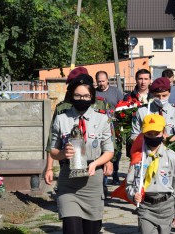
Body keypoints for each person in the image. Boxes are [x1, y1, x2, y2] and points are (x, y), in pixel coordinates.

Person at [49, 74, 114, 234]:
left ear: (92, 96)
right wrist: (63, 153)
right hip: (68, 183)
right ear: (71, 96)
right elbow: (52, 151)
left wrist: (96, 163)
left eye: (86, 96)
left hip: (92, 183)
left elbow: (109, 151)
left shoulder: (102, 119)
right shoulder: (61, 118)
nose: (81, 99)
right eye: (77, 95)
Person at [44, 67, 111, 187]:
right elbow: (53, 141)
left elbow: (108, 135)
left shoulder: (100, 104)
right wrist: (49, 167)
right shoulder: (62, 109)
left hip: (95, 163)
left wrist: (108, 160)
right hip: (68, 162)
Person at [126, 114, 175, 233]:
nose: (153, 137)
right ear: (143, 134)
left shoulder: (171, 156)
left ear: (163, 133)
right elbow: (129, 184)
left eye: (156, 133)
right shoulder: (138, 156)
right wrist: (133, 194)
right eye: (149, 134)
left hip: (166, 206)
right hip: (146, 205)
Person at [131, 77, 175, 144]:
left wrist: (168, 139)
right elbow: (133, 137)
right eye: (157, 96)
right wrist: (151, 140)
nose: (161, 98)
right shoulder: (142, 111)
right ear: (152, 94)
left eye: (164, 95)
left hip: (170, 152)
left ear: (169, 93)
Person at [95, 70, 124, 185]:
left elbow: (122, 107)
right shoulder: (94, 93)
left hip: (115, 126)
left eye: (103, 81)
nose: (101, 83)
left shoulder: (115, 92)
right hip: (100, 127)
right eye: (99, 81)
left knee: (116, 151)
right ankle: (104, 178)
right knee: (103, 150)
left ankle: (115, 171)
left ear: (107, 80)